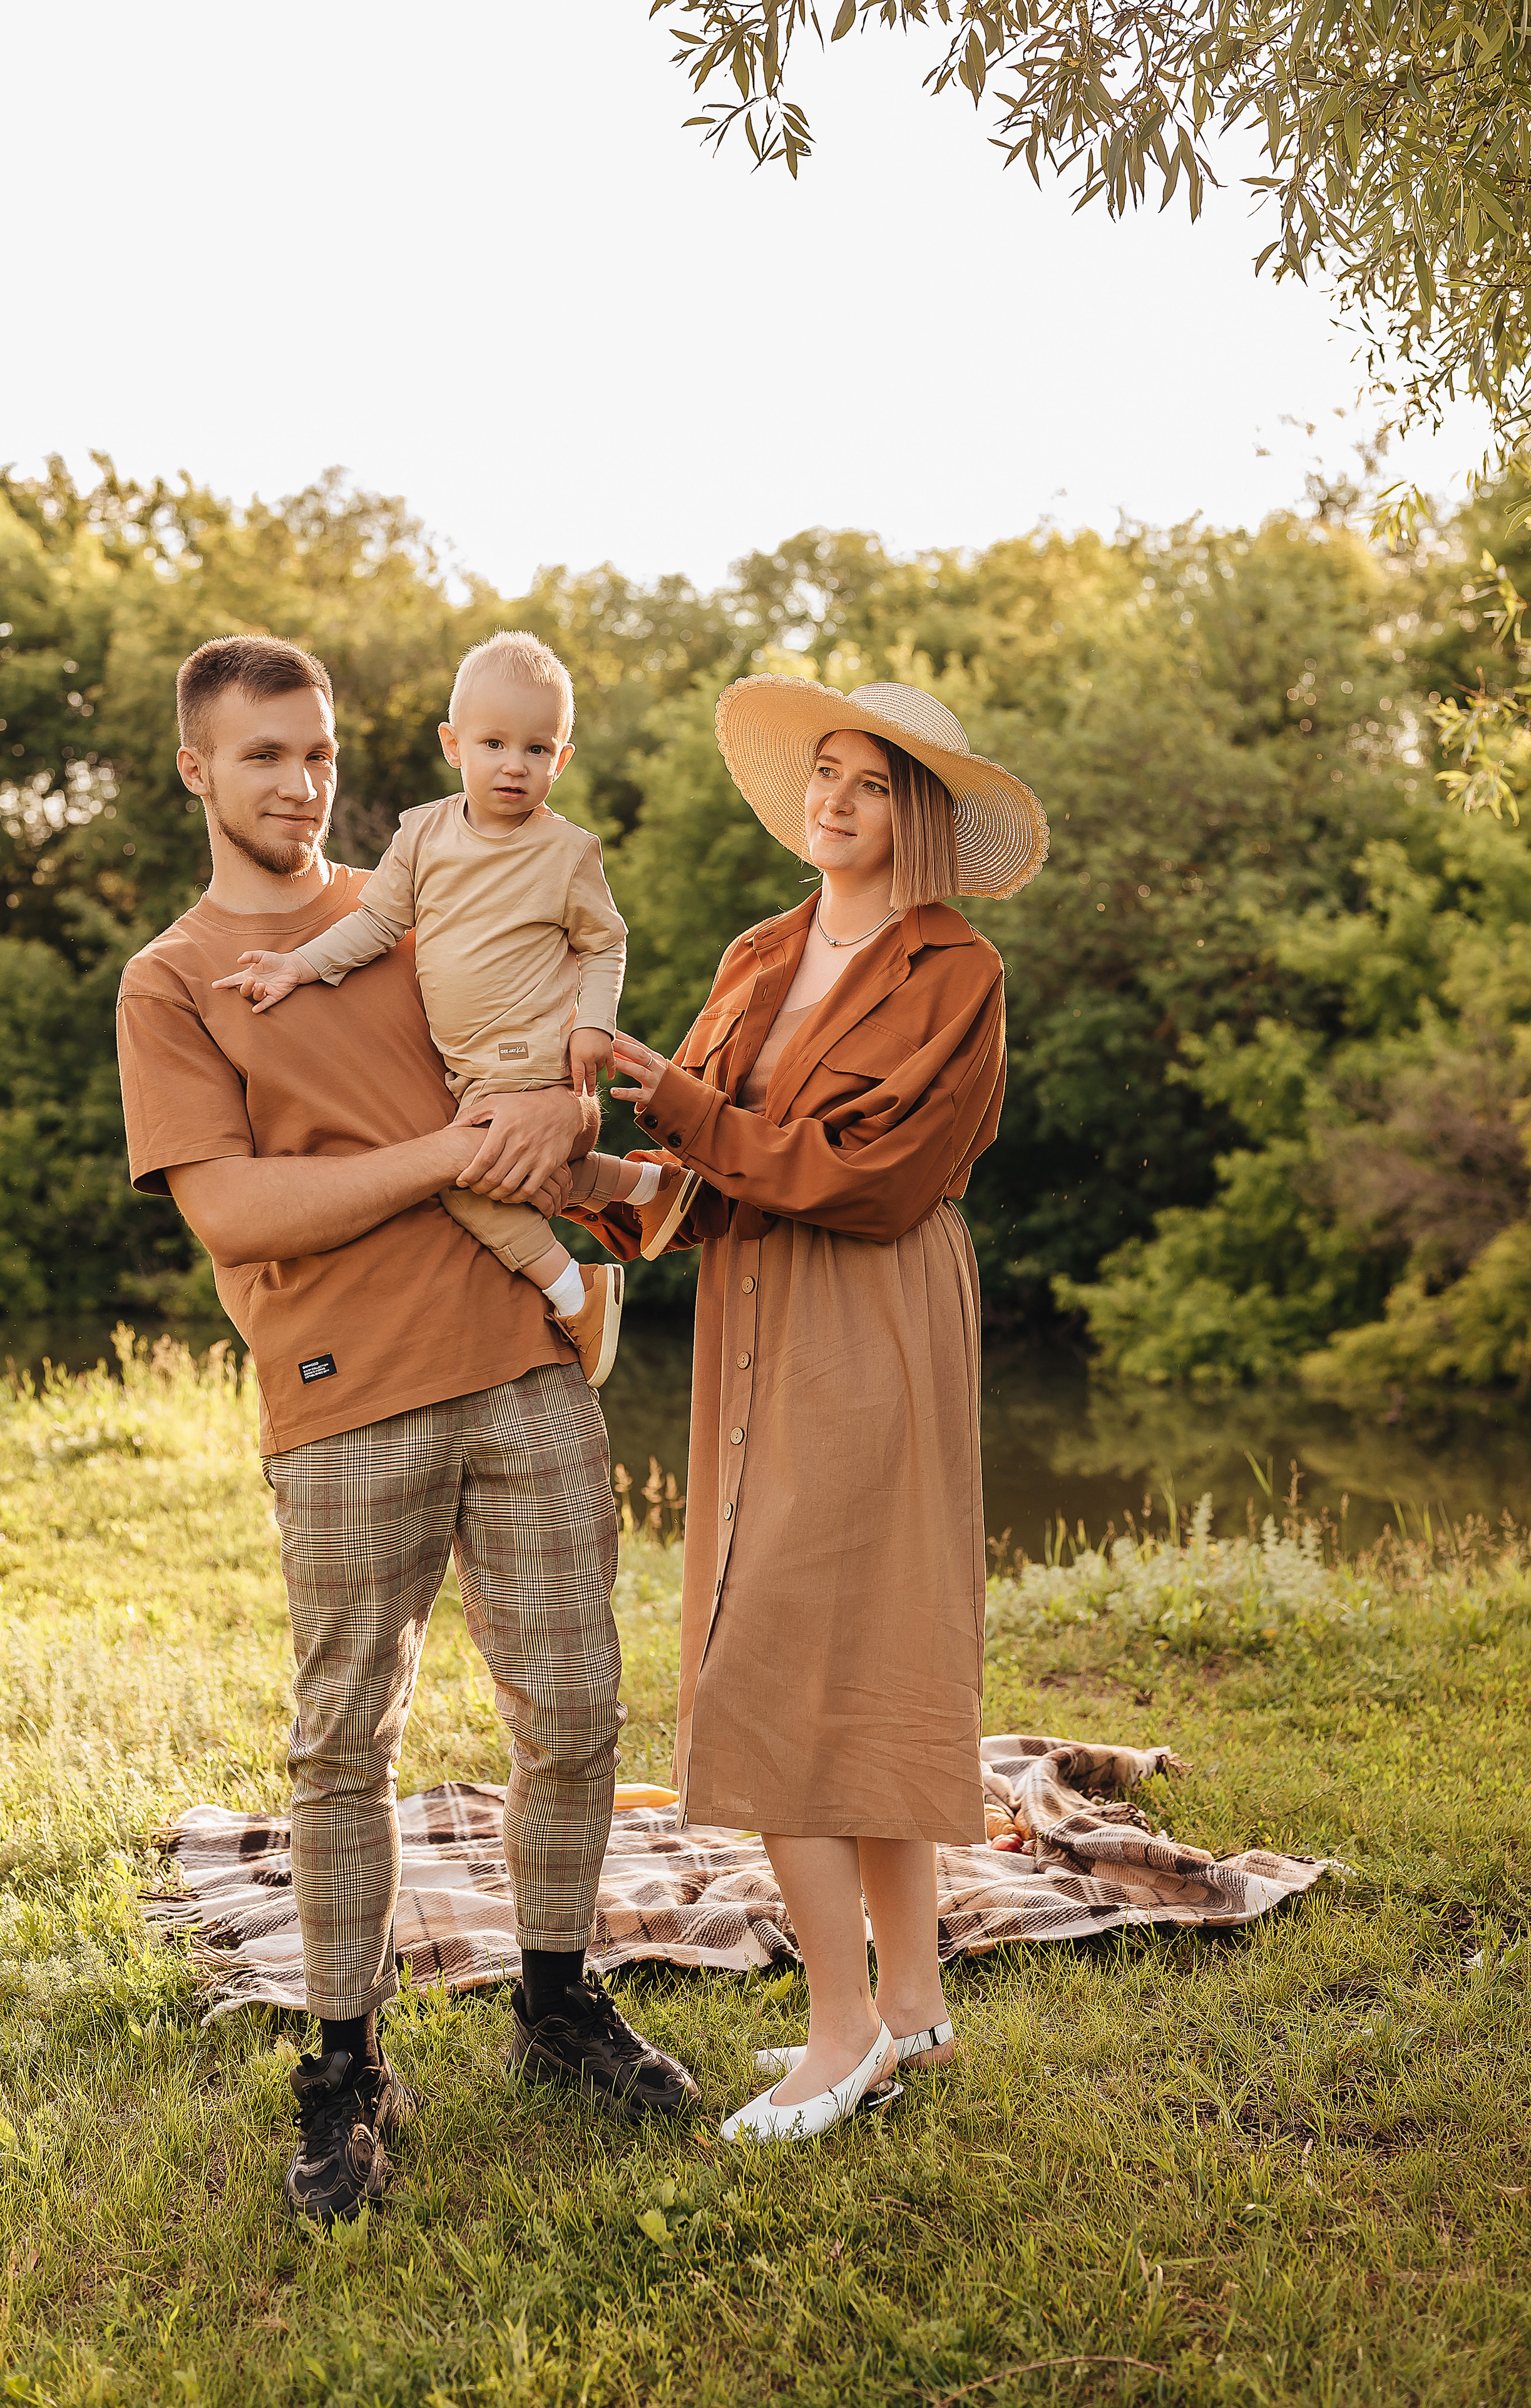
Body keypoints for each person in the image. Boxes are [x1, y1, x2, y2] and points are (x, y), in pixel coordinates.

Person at [115, 633, 696, 2223]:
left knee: (575, 1708)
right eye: (263, 756)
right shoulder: (172, 979)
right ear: (196, 768)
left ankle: (556, 2002)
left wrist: (570, 1106)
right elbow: (233, 1208)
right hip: (341, 1392)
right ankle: (344, 2066)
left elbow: (554, 1048)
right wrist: (445, 1156)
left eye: (316, 753)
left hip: (523, 1358)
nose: (300, 783)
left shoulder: (429, 888)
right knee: (342, 1743)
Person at [590, 675, 1047, 2143]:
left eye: (868, 782)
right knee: (834, 1649)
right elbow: (708, 1165)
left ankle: (839, 2031)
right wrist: (576, 1173)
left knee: (789, 1650)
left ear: (917, 813)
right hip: (757, 1305)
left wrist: (672, 1104)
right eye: (824, 773)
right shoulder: (760, 948)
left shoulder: (954, 970)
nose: (833, 800)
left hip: (871, 1301)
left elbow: (872, 1178)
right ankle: (910, 2010)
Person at [211, 628, 663, 1391]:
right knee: (522, 1169)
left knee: (468, 1182)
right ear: (454, 745)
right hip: (469, 1064)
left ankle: (573, 1291)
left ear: (561, 760)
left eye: (537, 749)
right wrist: (299, 964)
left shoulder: (567, 851)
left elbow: (605, 943)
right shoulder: (422, 833)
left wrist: (594, 1023)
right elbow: (377, 924)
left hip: (524, 1049)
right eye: (494, 744)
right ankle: (649, 1190)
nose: (514, 765)